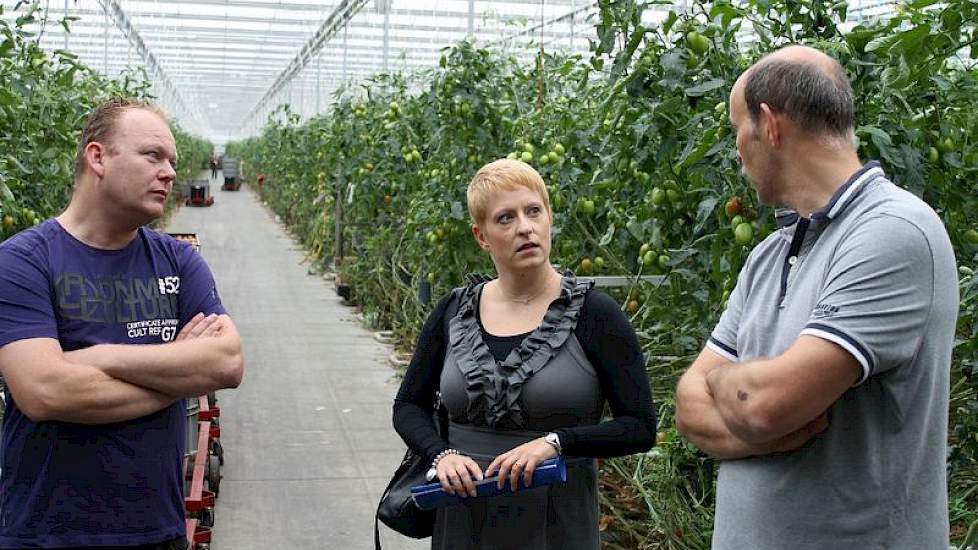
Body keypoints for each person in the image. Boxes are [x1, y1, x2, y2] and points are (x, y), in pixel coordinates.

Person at [675, 45, 957, 550]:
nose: (737, 149)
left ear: (770, 125)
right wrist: (750, 406)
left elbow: (764, 406)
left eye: (738, 130)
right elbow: (689, 411)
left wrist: (726, 383)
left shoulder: (892, 231)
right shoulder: (770, 253)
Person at [0, 98, 244, 549]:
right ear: (98, 158)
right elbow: (44, 391)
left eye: (171, 160)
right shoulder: (23, 261)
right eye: (153, 156)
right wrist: (176, 373)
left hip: (157, 531)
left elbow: (226, 363)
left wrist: (97, 357)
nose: (170, 172)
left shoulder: (178, 261)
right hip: (44, 534)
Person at [393, 158, 656, 549]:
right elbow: (408, 405)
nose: (525, 227)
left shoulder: (595, 315)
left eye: (534, 211)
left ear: (549, 218)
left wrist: (556, 443)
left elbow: (639, 426)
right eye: (505, 218)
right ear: (481, 236)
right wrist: (440, 454)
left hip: (555, 525)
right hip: (463, 521)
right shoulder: (453, 311)